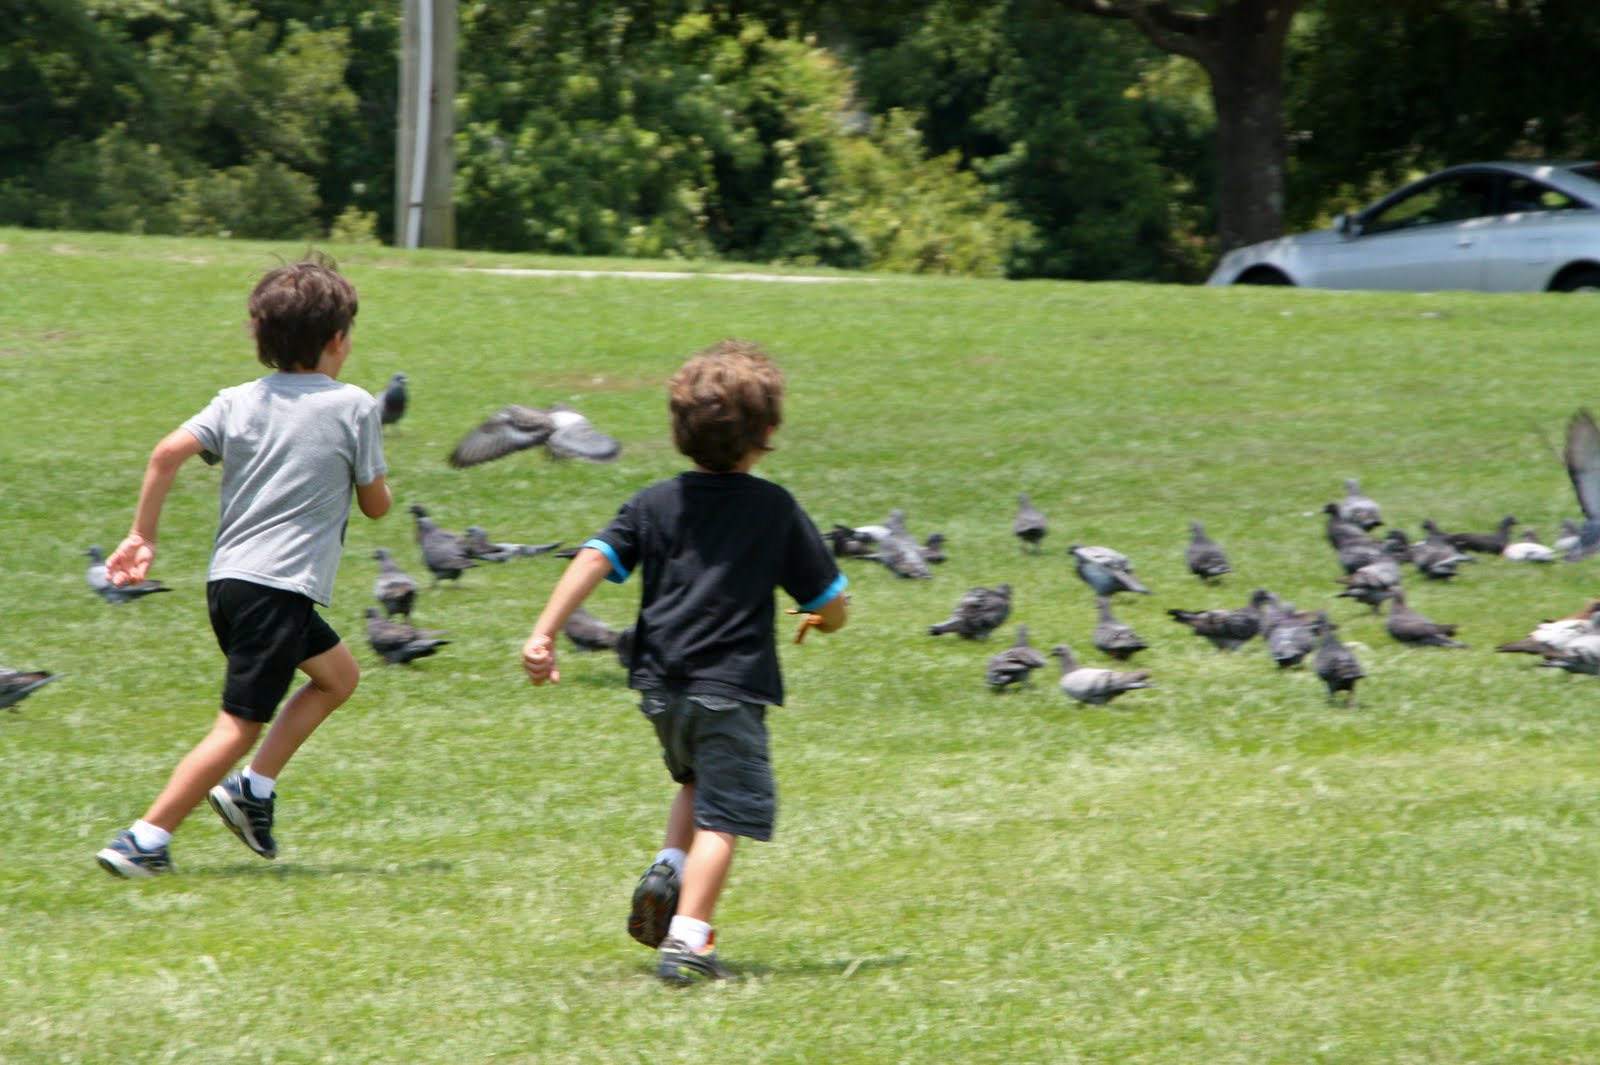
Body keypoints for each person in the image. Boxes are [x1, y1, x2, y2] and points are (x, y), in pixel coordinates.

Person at [521, 339, 848, 984]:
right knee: (726, 817)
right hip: (729, 689)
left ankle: (670, 864)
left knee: (694, 781)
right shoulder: (774, 508)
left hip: (659, 687)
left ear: (679, 431)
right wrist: (819, 619)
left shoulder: (653, 503)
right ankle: (690, 939)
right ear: (769, 433)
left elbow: (591, 557)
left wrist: (544, 633)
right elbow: (830, 602)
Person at [95, 254, 391, 878]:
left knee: (339, 677)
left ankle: (253, 791)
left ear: (261, 337)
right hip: (278, 589)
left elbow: (167, 451)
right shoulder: (355, 406)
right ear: (339, 340)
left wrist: (140, 536)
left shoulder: (236, 400)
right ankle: (143, 840)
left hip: (231, 584)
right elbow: (375, 506)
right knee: (237, 725)